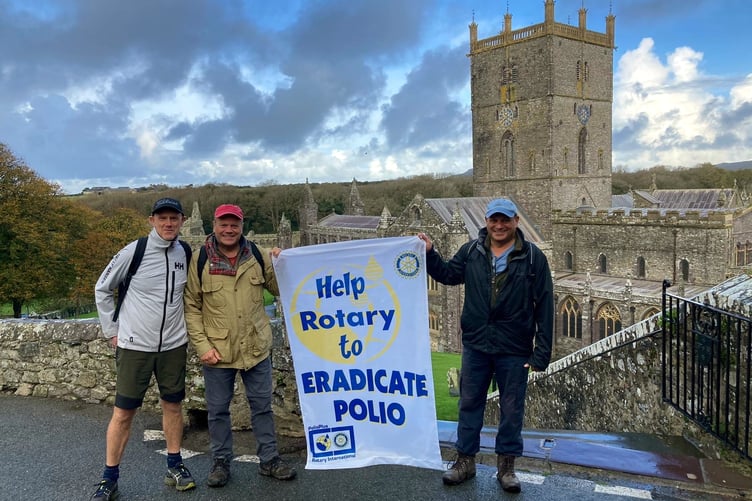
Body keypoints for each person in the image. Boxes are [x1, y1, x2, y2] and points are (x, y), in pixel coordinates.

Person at [418, 198, 553, 494]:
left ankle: (506, 468)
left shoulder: (533, 257)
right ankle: (464, 462)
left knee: (511, 410)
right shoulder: (471, 251)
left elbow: (545, 305)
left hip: (514, 348)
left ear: (515, 221)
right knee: (469, 405)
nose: (499, 225)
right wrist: (429, 254)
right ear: (487, 221)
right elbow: (447, 275)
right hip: (477, 345)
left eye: (505, 220)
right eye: (494, 219)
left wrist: (541, 352)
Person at [184, 203, 296, 488]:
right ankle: (221, 462)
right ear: (214, 225)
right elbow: (192, 307)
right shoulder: (200, 260)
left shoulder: (257, 255)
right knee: (218, 410)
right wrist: (202, 346)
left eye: (234, 224)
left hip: (256, 348)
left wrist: (283, 265)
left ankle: (269, 460)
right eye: (224, 224)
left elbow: (281, 290)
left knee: (262, 407)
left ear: (241, 226)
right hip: (218, 352)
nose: (229, 229)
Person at [91, 197, 196, 500]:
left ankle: (175, 465)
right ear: (151, 220)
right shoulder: (133, 251)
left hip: (174, 345)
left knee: (173, 406)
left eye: (173, 218)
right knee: (123, 413)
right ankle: (109, 477)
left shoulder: (184, 252)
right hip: (136, 346)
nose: (168, 224)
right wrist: (112, 330)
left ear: (182, 221)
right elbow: (102, 287)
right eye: (162, 218)